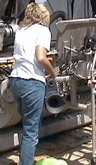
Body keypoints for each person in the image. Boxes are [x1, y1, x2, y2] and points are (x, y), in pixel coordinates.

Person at [9, 2, 57, 165]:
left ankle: (25, 159)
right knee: (31, 131)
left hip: (16, 79)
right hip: (32, 81)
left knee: (26, 124)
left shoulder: (21, 31)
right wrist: (52, 72)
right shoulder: (43, 30)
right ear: (43, 16)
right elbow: (41, 57)